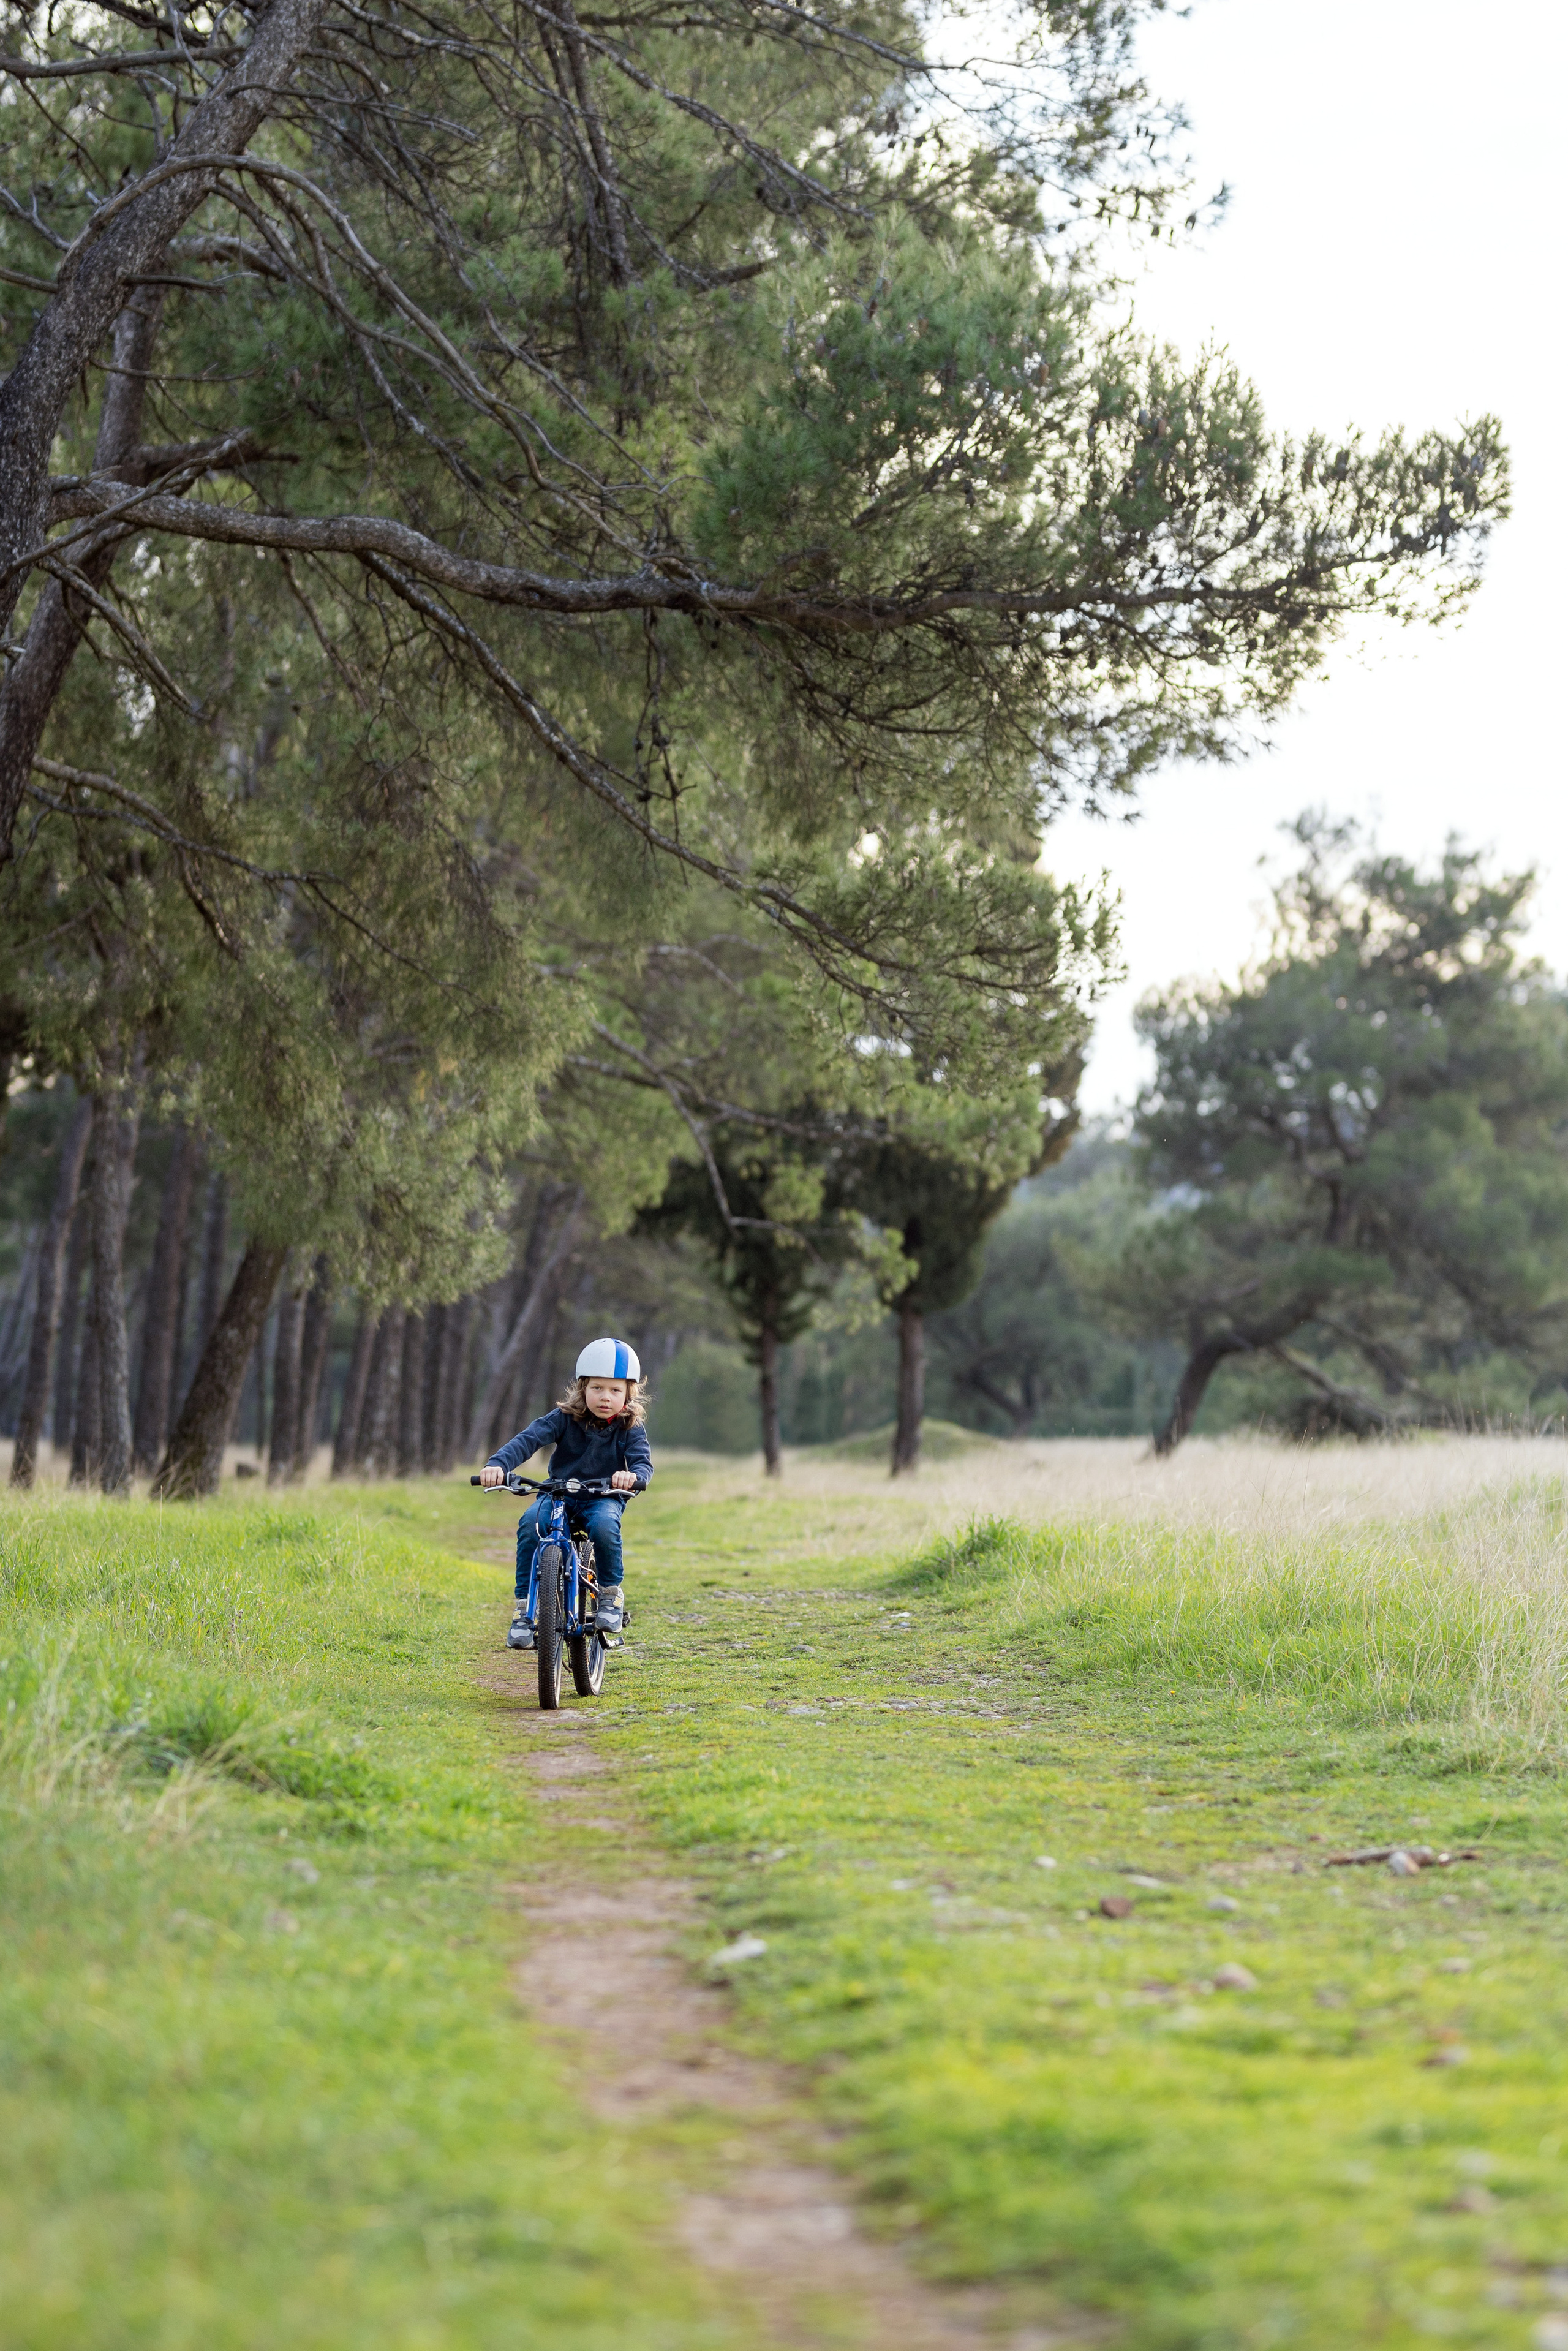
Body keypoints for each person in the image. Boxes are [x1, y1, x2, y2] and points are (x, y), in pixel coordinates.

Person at [480, 1338, 652, 1645]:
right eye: (597, 1388)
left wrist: (632, 1476)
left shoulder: (630, 1427)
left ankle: (611, 1594)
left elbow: (642, 1464)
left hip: (603, 1498)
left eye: (615, 1390)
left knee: (604, 1526)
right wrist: (497, 1465)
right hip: (558, 1495)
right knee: (532, 1525)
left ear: (629, 1393)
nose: (605, 1397)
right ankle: (524, 1611)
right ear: (582, 1387)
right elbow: (527, 1440)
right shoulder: (564, 1418)